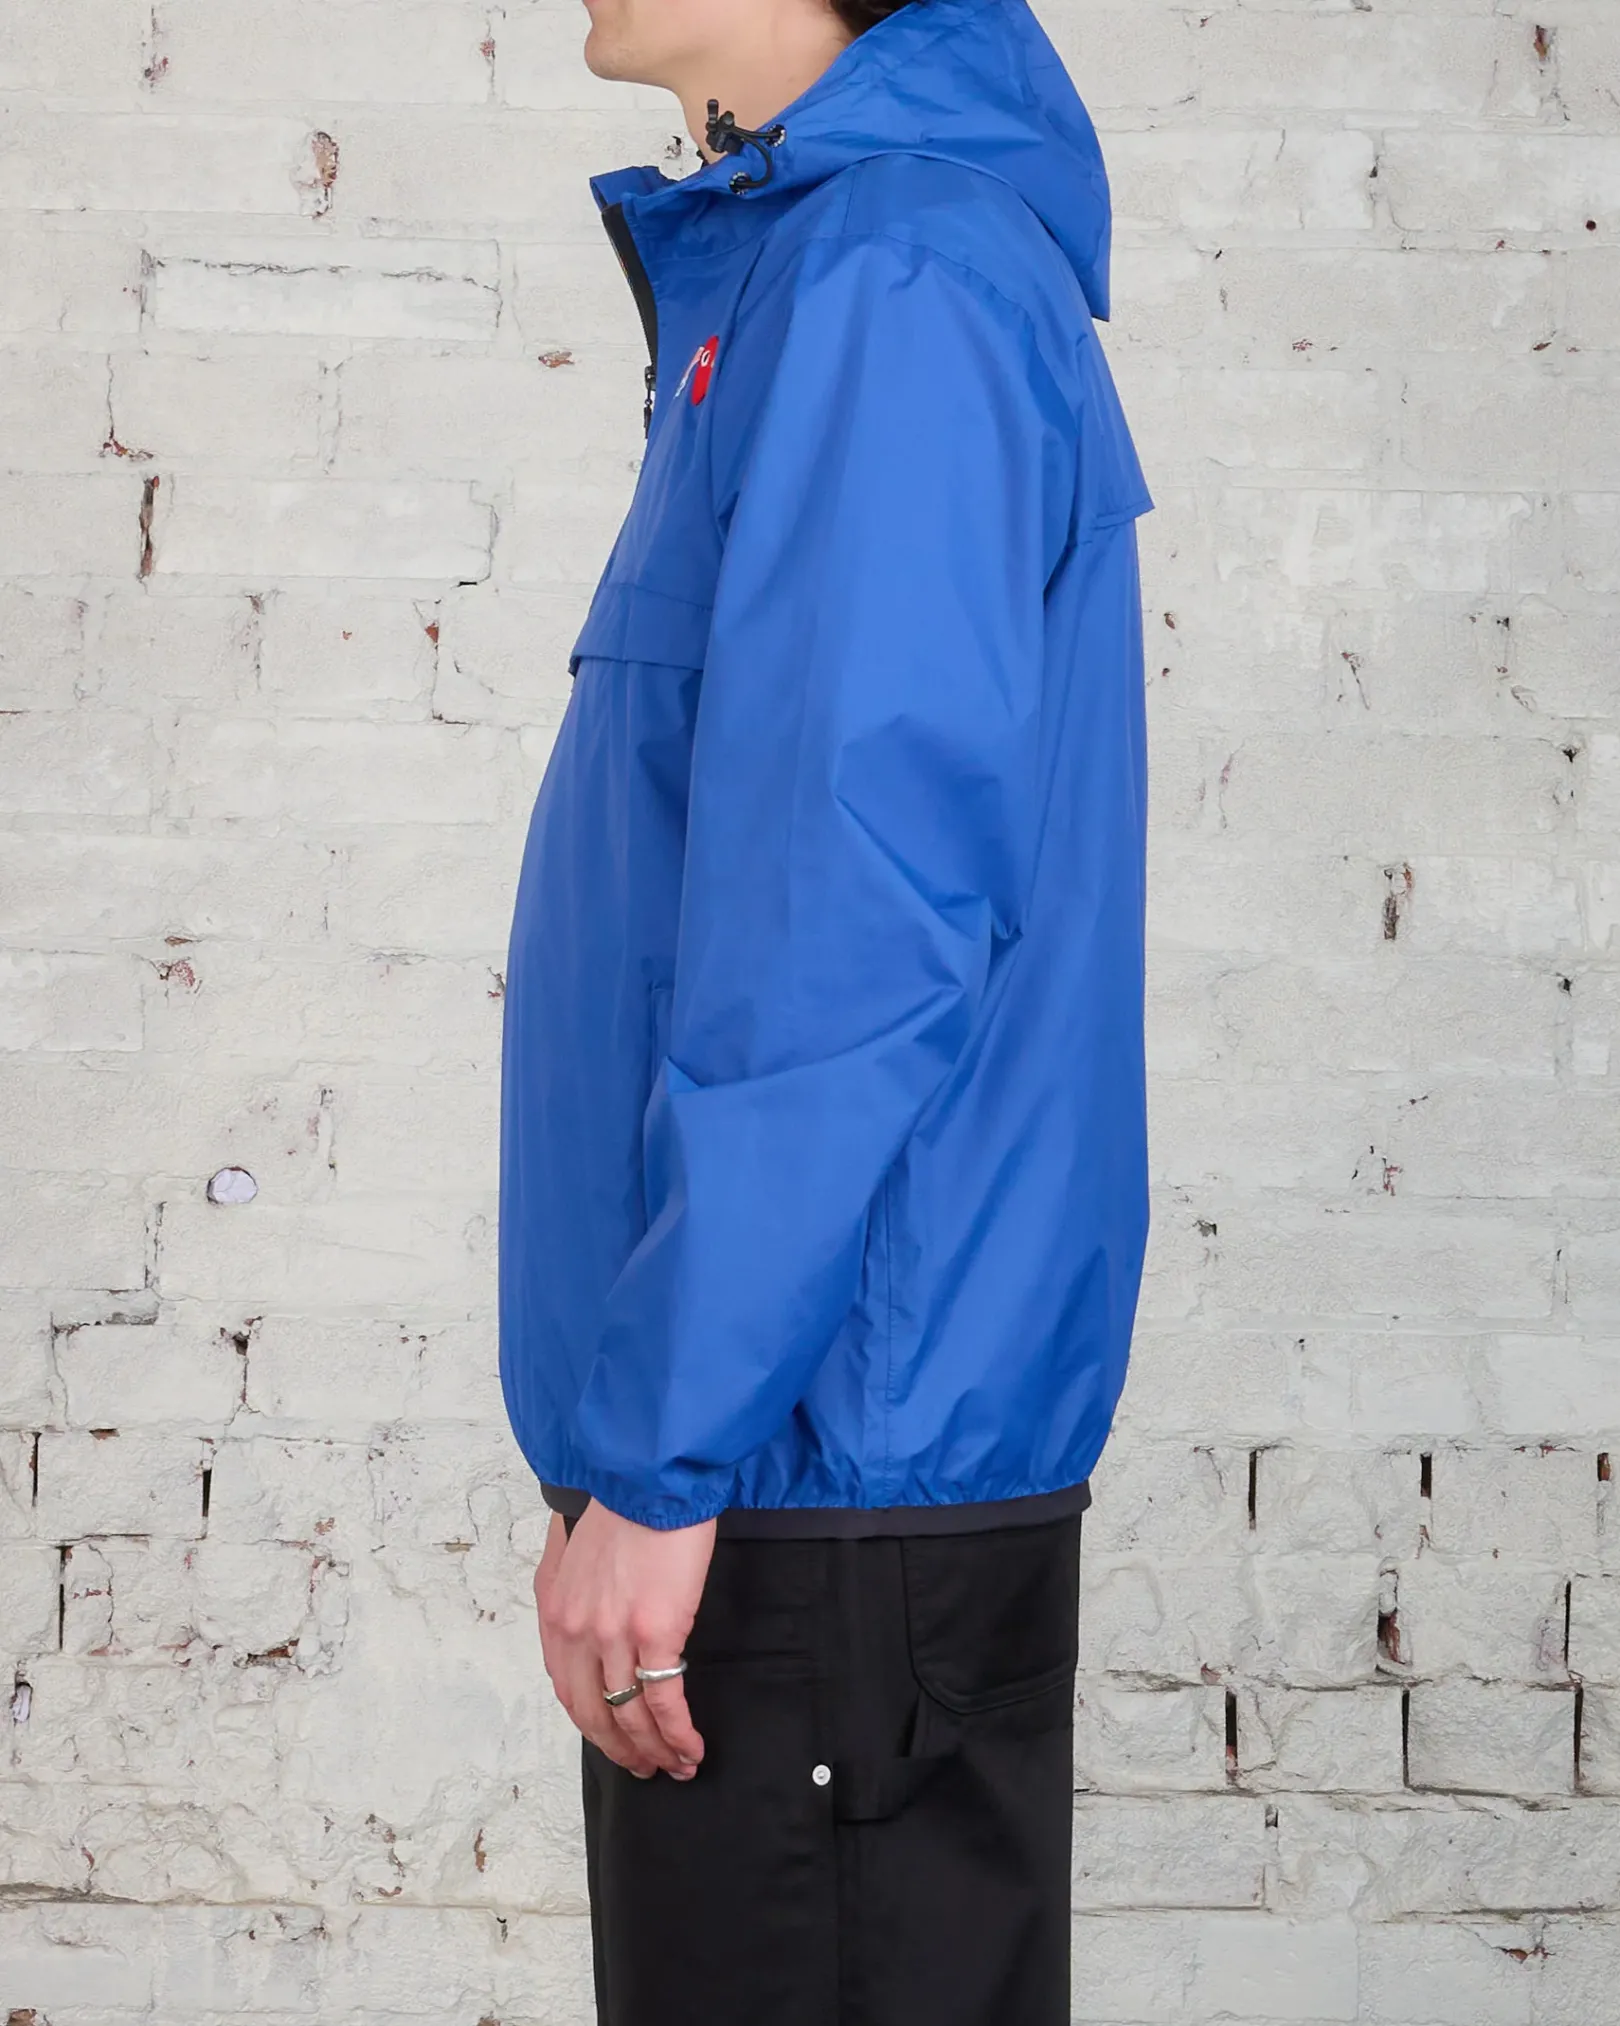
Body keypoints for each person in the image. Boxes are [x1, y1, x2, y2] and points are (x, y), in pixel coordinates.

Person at [498, 0, 1153, 2016]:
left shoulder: (894, 280)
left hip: (819, 1470)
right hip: (800, 1462)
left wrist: (665, 1453)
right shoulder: (828, 269)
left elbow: (851, 920)